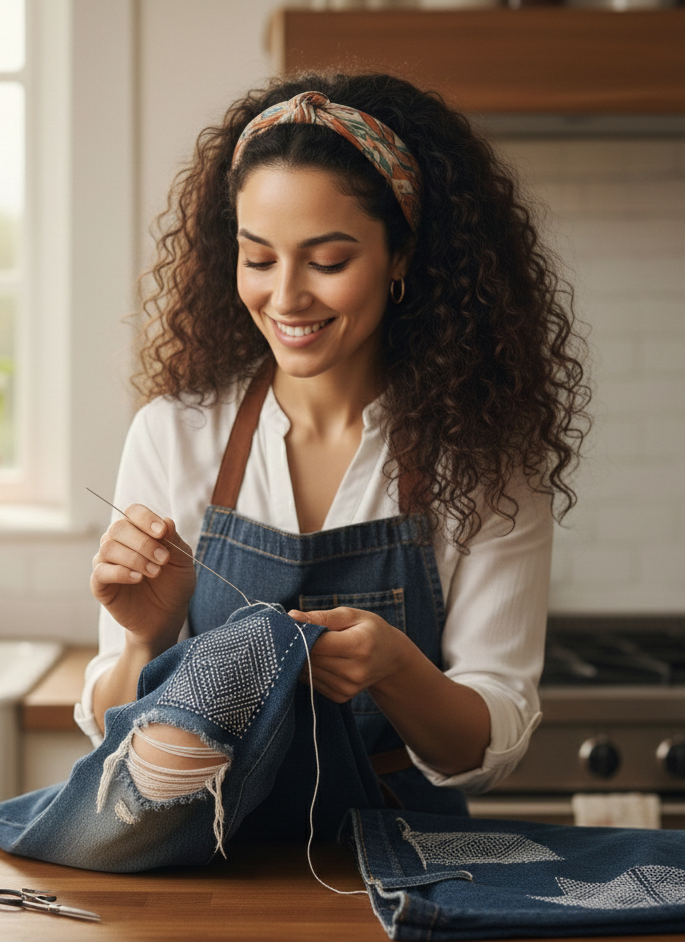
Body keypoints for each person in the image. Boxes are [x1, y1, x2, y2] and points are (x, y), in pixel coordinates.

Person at [74, 71, 589, 849]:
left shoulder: (484, 458)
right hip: (208, 858)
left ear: (400, 255)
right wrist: (145, 639)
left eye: (327, 261)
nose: (286, 297)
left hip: (409, 857)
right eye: (259, 259)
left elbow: (487, 748)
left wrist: (398, 670)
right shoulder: (174, 434)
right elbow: (117, 743)